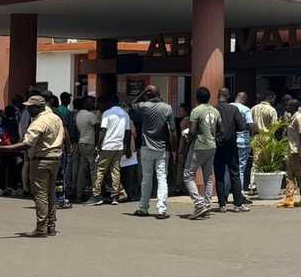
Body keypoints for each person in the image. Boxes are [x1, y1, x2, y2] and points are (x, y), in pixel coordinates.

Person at [0, 95, 66, 237]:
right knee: (51, 194)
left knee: (40, 195)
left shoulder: (39, 122)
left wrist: (1, 149)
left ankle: (41, 228)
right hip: (55, 159)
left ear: (38, 107)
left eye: (30, 107)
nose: (27, 110)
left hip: (41, 160)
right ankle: (51, 226)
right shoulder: (56, 118)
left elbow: (27, 144)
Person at [130, 85, 174, 219]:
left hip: (146, 147)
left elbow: (132, 104)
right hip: (162, 148)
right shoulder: (167, 108)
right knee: (162, 178)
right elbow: (172, 131)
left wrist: (142, 91)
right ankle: (162, 210)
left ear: (147, 95)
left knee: (146, 178)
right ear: (159, 94)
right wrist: (174, 149)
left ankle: (143, 208)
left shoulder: (144, 106)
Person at [183, 87, 220, 219]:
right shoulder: (215, 111)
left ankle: (199, 204)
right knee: (208, 177)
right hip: (212, 146)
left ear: (196, 98)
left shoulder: (196, 111)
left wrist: (187, 137)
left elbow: (192, 131)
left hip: (199, 146)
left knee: (188, 175)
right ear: (209, 98)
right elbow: (220, 129)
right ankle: (207, 205)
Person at [214, 88, 250, 212]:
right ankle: (238, 204)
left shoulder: (214, 109)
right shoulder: (233, 109)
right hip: (231, 145)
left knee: (219, 174)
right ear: (228, 96)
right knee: (234, 173)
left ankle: (222, 204)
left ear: (218, 95)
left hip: (217, 145)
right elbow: (241, 127)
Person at [90, 94, 130, 205]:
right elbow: (128, 132)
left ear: (110, 103)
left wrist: (98, 146)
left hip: (107, 146)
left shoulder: (107, 113)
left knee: (100, 170)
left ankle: (96, 195)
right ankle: (115, 197)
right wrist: (126, 147)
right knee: (115, 171)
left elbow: (103, 130)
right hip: (119, 146)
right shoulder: (125, 114)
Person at [279, 95, 301, 208]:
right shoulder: (292, 117)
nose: (286, 106)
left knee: (300, 176)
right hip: (291, 151)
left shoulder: (298, 118)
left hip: (297, 152)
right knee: (290, 176)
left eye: (289, 105)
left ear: (294, 107)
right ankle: (289, 198)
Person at [234, 90, 255, 196]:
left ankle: (227, 192)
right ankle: (240, 192)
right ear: (244, 99)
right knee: (241, 168)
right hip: (242, 141)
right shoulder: (245, 109)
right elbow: (250, 125)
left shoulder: (229, 107)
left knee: (230, 167)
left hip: (231, 141)